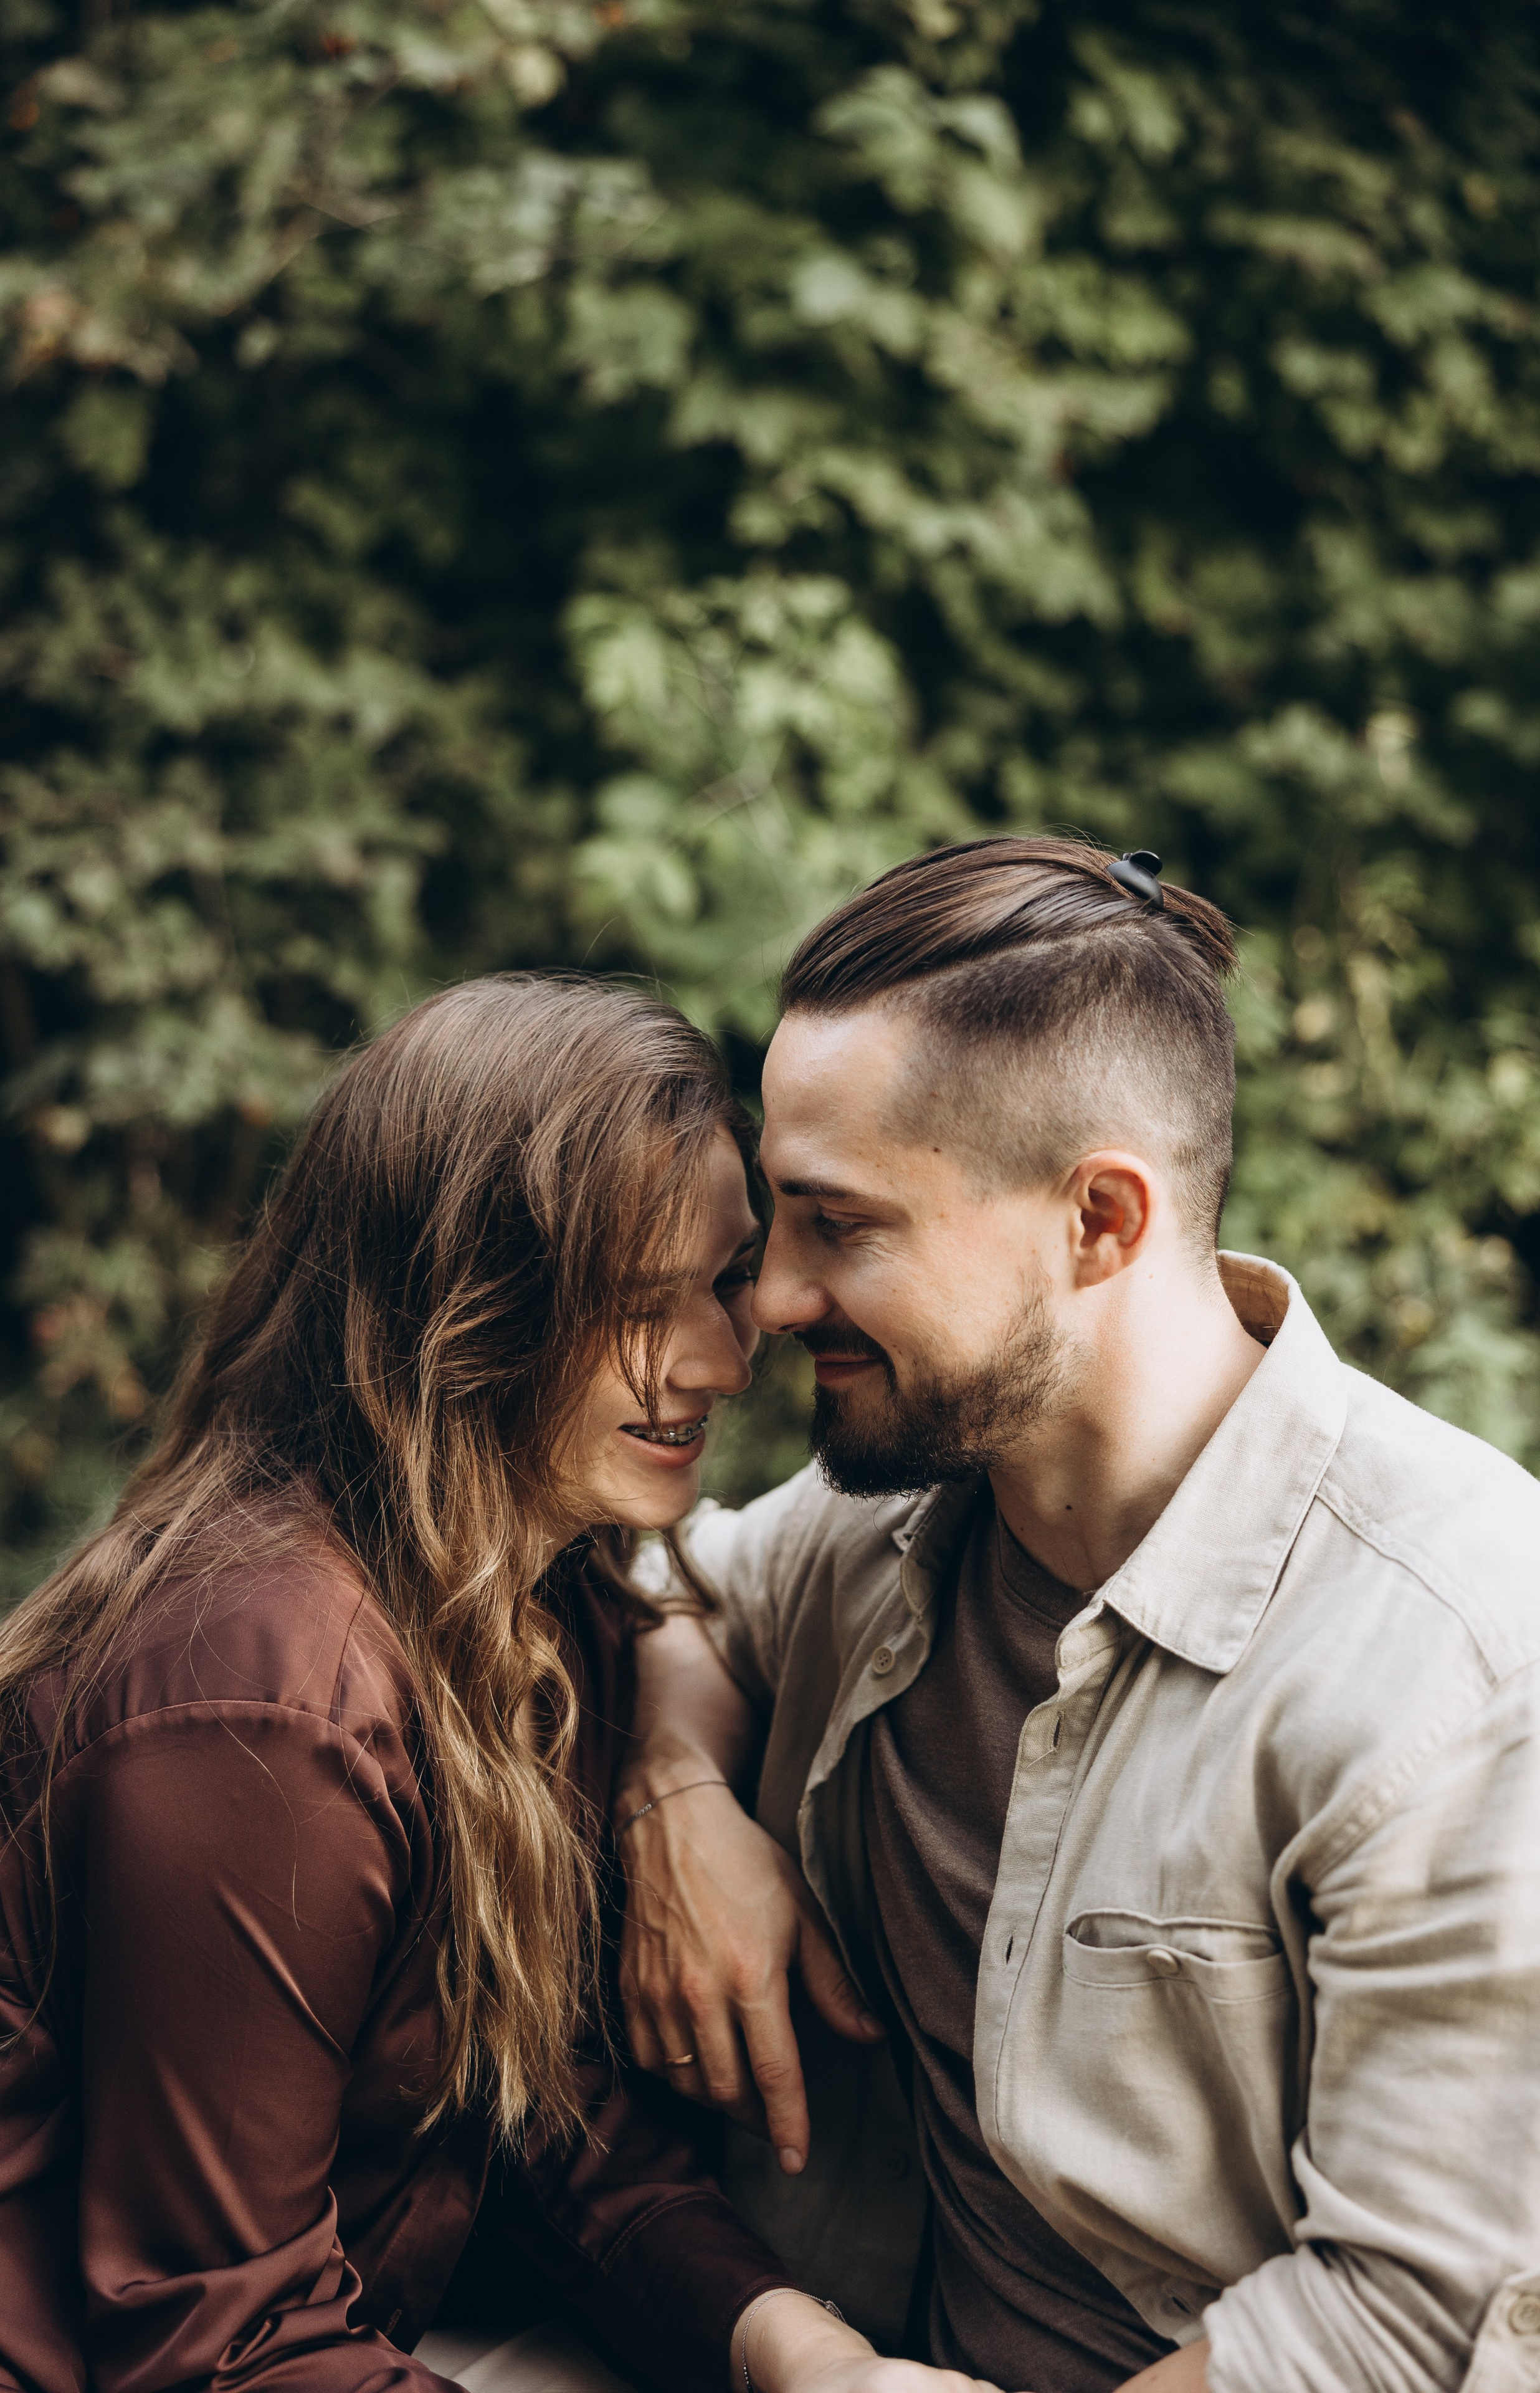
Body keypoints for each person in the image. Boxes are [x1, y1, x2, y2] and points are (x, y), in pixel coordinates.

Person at [0, 975, 1000, 2393]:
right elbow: (217, 2344)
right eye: (640, 1304)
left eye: (722, 1278)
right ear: (464, 1309)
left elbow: (545, 2124)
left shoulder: (530, 1593)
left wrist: (804, 2356)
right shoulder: (268, 1696)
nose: (727, 1356)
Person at [614, 839, 1540, 2393]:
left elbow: (1403, 2321)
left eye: (838, 1226)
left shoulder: (1456, 1662)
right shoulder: (896, 1517)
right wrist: (679, 1792)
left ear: (1099, 1222)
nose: (766, 1301)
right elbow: (666, 1591)